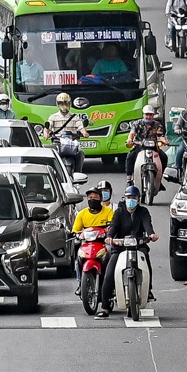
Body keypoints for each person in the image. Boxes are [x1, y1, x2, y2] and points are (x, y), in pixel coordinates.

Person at [98, 185, 156, 317]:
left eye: (134, 198)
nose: (131, 200)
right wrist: (109, 237)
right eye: (129, 197)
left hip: (138, 245)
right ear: (125, 198)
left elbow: (148, 224)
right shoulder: (119, 212)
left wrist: (151, 234)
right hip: (120, 247)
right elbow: (113, 226)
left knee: (146, 258)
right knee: (109, 273)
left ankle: (149, 289)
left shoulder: (143, 211)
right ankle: (105, 306)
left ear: (138, 199)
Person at [69, 185, 114, 280]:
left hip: (103, 241)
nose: (92, 199)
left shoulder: (108, 211)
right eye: (90, 198)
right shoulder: (82, 214)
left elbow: (112, 226)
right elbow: (76, 229)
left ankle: (110, 279)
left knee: (111, 255)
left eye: (95, 197)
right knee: (78, 258)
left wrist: (108, 231)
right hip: (87, 242)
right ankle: (80, 280)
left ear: (100, 199)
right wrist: (76, 234)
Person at [123, 104, 167, 184]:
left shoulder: (157, 124)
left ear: (153, 115)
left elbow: (161, 135)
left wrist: (164, 141)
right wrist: (130, 139)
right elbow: (132, 133)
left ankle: (159, 179)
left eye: (150, 115)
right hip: (139, 146)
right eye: (147, 114)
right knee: (130, 157)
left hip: (153, 147)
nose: (148, 117)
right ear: (143, 115)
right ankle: (129, 179)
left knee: (164, 157)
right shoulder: (137, 123)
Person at [46, 95, 89, 174]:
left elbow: (80, 126)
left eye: (66, 103)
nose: (64, 106)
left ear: (70, 104)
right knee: (52, 156)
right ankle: (52, 174)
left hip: (72, 143)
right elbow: (48, 126)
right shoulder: (53, 117)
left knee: (80, 154)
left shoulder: (75, 117)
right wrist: (46, 134)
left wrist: (84, 133)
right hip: (58, 143)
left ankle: (78, 173)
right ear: (58, 104)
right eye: (61, 104)